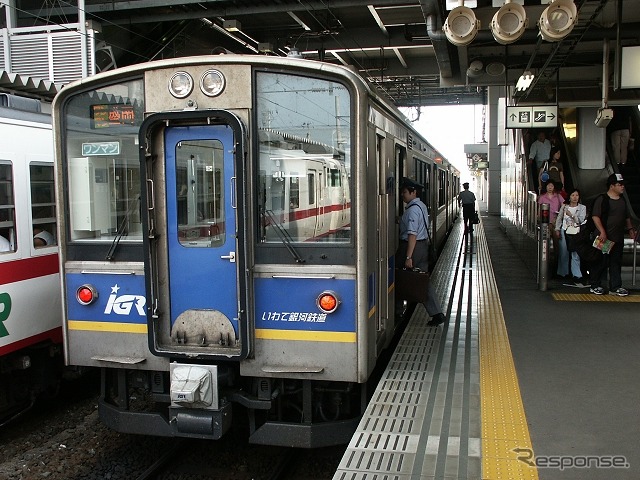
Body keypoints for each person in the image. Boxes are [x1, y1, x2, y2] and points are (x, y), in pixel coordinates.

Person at [396, 178, 446, 326]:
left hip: (412, 247)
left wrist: (408, 257)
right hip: (423, 246)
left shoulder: (412, 211)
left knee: (397, 276)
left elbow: (412, 234)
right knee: (423, 281)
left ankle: (397, 312)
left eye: (404, 192)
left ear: (413, 192)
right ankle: (437, 313)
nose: (402, 195)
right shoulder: (421, 206)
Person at [589, 173, 636, 296]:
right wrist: (602, 232)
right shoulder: (602, 199)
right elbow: (595, 216)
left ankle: (615, 286)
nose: (622, 187)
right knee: (601, 261)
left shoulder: (622, 200)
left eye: (623, 185)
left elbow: (626, 217)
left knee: (616, 262)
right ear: (611, 186)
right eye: (620, 185)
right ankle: (595, 284)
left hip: (618, 238)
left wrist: (630, 229)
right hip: (604, 239)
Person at [554, 188, 586, 284]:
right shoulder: (564, 206)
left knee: (575, 253)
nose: (575, 197)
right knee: (563, 252)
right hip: (565, 230)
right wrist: (557, 229)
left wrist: (571, 215)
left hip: (576, 232)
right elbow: (559, 218)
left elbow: (580, 220)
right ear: (569, 197)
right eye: (573, 195)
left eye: (577, 195)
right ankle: (563, 273)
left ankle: (577, 274)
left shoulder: (582, 207)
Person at [537, 181, 564, 269]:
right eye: (548, 186)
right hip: (545, 223)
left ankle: (557, 263)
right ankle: (546, 261)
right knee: (546, 241)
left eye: (552, 186)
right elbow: (538, 209)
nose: (550, 187)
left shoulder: (558, 196)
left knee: (557, 242)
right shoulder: (542, 197)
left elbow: (564, 206)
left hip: (556, 222)